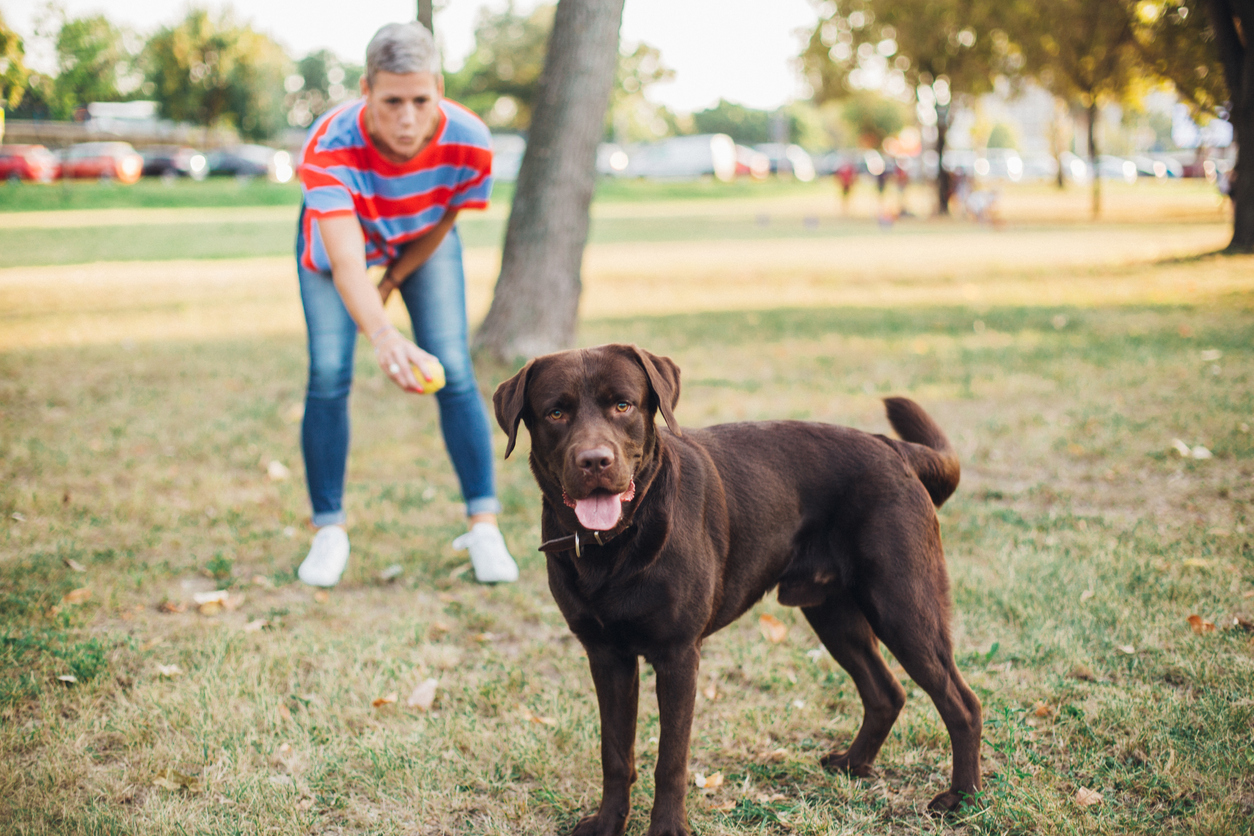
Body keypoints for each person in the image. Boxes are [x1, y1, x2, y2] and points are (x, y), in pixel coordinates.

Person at [293, 21, 517, 587]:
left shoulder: (470, 139)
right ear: (366, 90)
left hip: (421, 239)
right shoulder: (327, 145)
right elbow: (347, 265)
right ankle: (329, 532)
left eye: (421, 100)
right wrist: (384, 333)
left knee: (455, 370)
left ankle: (484, 527)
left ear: (439, 86)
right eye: (392, 101)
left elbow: (445, 214)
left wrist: (392, 280)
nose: (408, 119)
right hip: (337, 245)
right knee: (327, 373)